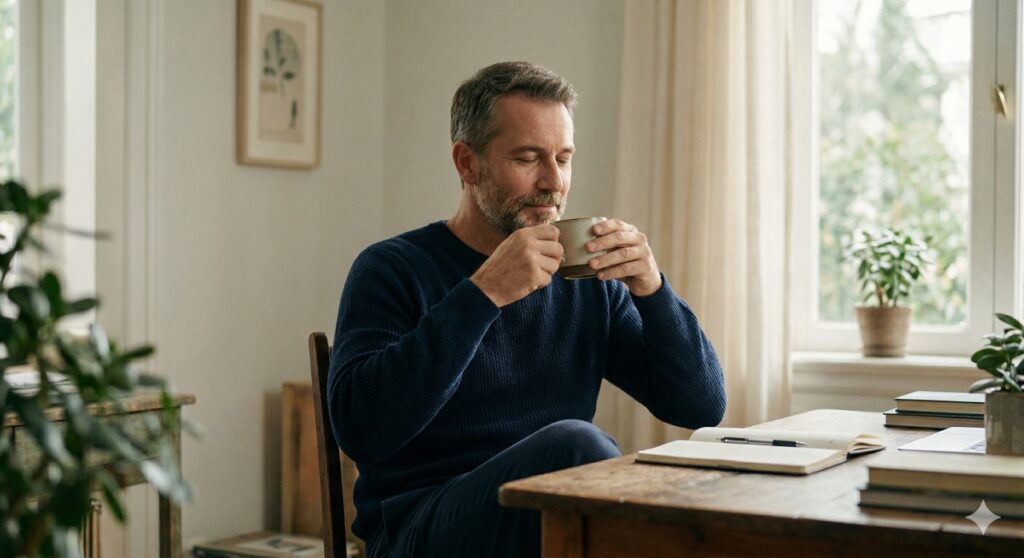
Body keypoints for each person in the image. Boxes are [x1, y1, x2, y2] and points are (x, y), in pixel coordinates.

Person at [328, 61, 726, 558]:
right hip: (422, 528)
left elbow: (701, 408)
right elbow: (362, 429)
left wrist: (653, 290)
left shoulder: (585, 281)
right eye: (528, 158)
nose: (553, 181)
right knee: (579, 450)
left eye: (564, 157)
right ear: (467, 164)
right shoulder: (392, 267)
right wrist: (483, 294)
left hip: (548, 525)